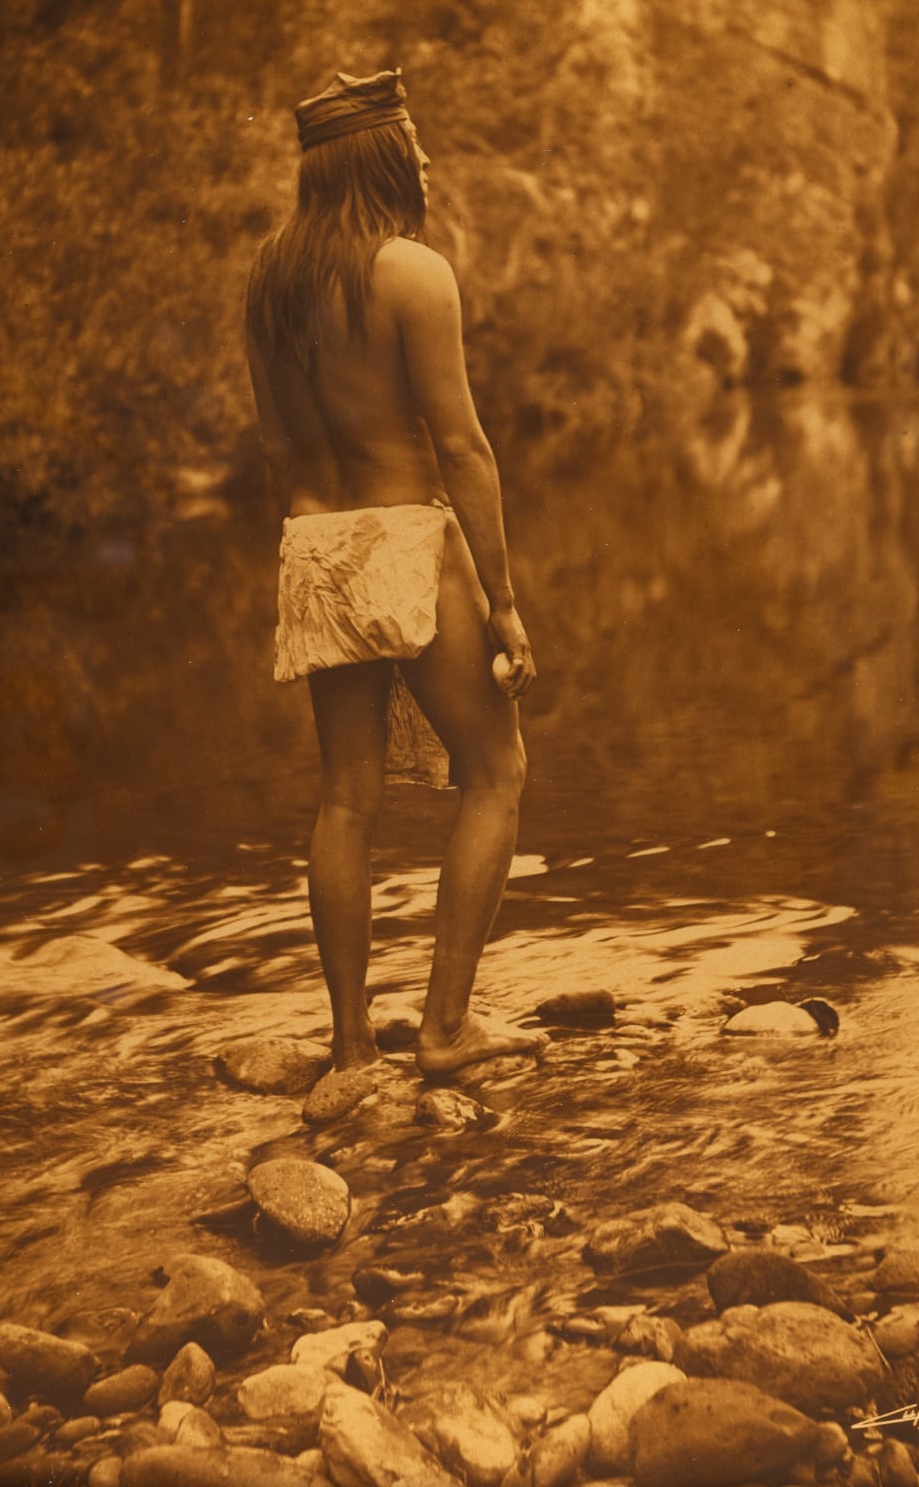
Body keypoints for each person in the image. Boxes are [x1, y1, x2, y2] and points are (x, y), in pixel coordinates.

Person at [244, 67, 538, 1079]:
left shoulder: (270, 283)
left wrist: (310, 560)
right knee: (498, 767)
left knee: (345, 800)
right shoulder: (411, 271)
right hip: (405, 535)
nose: (429, 167)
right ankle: (448, 1025)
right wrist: (501, 599)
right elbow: (463, 449)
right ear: (379, 160)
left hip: (314, 540)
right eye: (415, 152)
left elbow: (277, 445)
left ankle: (350, 1045)